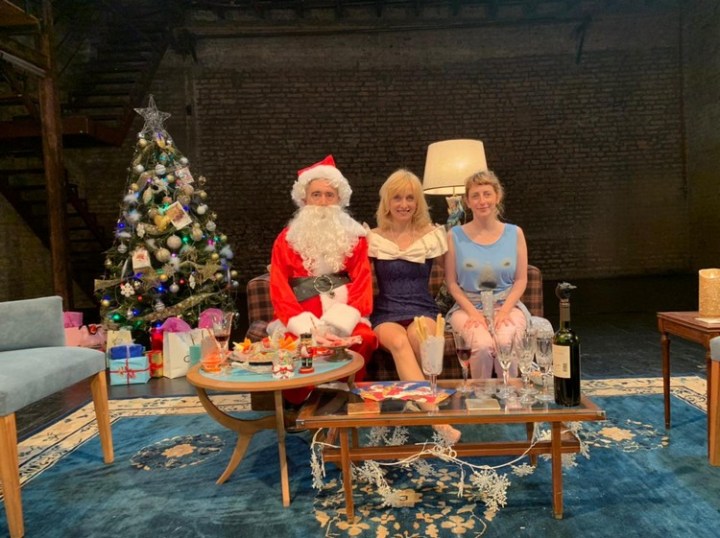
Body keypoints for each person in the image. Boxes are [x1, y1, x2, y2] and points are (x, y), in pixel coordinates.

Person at [269, 155, 378, 404]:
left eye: (330, 195)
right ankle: (305, 402)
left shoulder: (355, 237)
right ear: (304, 199)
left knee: (365, 338)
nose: (323, 202)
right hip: (299, 317)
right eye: (316, 195)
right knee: (290, 345)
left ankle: (341, 395)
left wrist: (338, 325)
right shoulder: (286, 239)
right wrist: (307, 328)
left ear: (340, 199)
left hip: (344, 316)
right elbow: (279, 287)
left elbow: (362, 283)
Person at [368, 169, 461, 443]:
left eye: (410, 198)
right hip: (386, 313)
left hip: (422, 308)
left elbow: (454, 275)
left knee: (421, 341)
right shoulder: (372, 237)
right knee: (399, 341)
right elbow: (355, 276)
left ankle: (416, 402)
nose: (404, 204)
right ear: (387, 202)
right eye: (397, 198)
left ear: (418, 202)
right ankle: (438, 421)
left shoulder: (432, 235)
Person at [444, 170, 528, 379]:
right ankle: (480, 396)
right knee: (482, 345)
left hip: (507, 305)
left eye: (487, 194)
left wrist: (504, 311)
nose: (482, 201)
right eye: (475, 196)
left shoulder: (515, 233)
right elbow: (452, 283)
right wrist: (473, 313)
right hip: (468, 307)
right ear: (467, 201)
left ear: (497, 197)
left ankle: (510, 396)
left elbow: (521, 280)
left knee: (505, 342)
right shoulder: (454, 235)